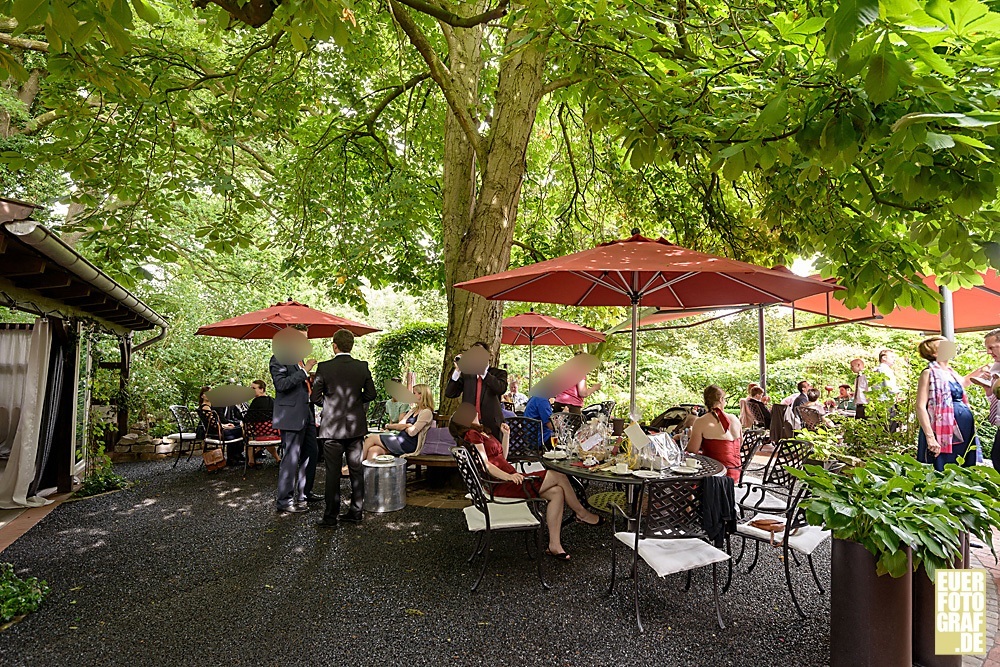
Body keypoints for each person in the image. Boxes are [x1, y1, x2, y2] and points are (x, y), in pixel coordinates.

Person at [449, 417, 603, 561]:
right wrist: (508, 477)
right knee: (559, 476)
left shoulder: (481, 433)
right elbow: (486, 465)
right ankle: (582, 513)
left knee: (557, 492)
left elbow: (502, 457)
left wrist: (506, 435)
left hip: (508, 478)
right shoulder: (472, 435)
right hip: (502, 484)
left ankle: (554, 545)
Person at [311, 329, 378, 526]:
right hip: (355, 427)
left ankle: (331, 517)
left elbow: (314, 397)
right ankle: (356, 512)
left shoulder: (324, 367)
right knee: (356, 470)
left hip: (332, 428)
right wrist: (356, 404)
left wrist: (330, 406)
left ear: (334, 346)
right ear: (352, 346)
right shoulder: (362, 367)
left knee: (332, 473)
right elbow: (371, 394)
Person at [270, 334, 319, 514]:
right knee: (290, 459)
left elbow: (299, 385)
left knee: (312, 453)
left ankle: (304, 494)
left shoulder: (299, 360)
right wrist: (304, 372)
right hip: (290, 415)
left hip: (307, 413)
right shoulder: (279, 358)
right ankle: (284, 501)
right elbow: (281, 385)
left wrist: (309, 379)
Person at [915, 336, 978, 471]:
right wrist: (930, 436)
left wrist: (981, 371)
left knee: (963, 463)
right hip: (940, 428)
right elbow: (920, 406)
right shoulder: (928, 373)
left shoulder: (951, 373)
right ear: (934, 353)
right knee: (942, 465)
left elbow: (964, 383)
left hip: (963, 426)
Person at [445, 342, 508, 436]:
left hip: (492, 423)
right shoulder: (467, 375)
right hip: (468, 423)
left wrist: (483, 372)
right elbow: (450, 393)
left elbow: (500, 389)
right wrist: (457, 370)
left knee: (492, 449)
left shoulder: (498, 373)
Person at [362, 384, 435, 461]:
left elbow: (412, 432)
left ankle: (353, 467)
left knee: (371, 438)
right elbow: (400, 425)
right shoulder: (413, 410)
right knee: (374, 450)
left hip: (408, 444)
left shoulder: (426, 412)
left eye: (414, 393)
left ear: (421, 395)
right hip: (399, 439)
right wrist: (407, 426)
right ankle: (368, 473)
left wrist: (404, 427)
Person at [686, 385, 742, 482]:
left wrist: (689, 437)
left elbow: (691, 451)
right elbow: (739, 444)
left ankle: (691, 496)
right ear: (721, 399)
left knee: (684, 475)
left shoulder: (701, 421)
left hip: (715, 474)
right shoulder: (734, 419)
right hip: (736, 472)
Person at [198, 386, 245, 466]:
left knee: (237, 430)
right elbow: (213, 423)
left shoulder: (210, 406)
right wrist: (224, 426)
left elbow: (216, 421)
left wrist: (225, 425)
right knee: (240, 430)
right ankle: (233, 457)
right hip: (215, 432)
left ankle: (236, 456)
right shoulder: (206, 407)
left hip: (216, 430)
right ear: (202, 396)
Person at [245, 379, 281, 468]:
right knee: (264, 433)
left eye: (253, 388)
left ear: (261, 389)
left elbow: (247, 418)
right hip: (275, 432)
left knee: (248, 435)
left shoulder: (255, 402)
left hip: (259, 434)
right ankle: (277, 458)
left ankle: (251, 460)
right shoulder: (273, 400)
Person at [979, 328, 1000, 471]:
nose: (988, 352)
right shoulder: (996, 367)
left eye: (991, 347)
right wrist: (989, 390)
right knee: (997, 457)